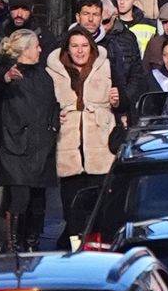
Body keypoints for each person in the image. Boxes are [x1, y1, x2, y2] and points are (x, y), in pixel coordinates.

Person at [0, 27, 60, 251]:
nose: (40, 49)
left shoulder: (43, 74)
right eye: (35, 46)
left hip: (42, 145)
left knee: (39, 202)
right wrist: (7, 76)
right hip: (17, 146)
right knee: (20, 199)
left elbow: (51, 103)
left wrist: (56, 119)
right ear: (24, 50)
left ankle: (32, 243)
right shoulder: (9, 70)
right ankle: (13, 245)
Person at [49, 25, 118, 242]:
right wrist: (53, 116)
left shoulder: (106, 66)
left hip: (100, 149)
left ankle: (99, 248)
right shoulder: (52, 71)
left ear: (92, 47)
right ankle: (74, 251)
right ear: (67, 49)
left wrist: (118, 100)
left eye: (84, 46)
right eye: (75, 46)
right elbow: (43, 104)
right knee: (72, 211)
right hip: (69, 149)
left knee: (100, 208)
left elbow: (125, 96)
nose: (80, 51)